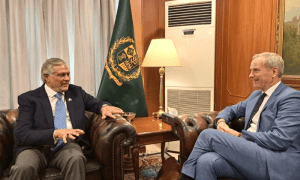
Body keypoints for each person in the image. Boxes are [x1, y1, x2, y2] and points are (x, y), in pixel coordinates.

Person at [179, 52, 300, 180]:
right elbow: (231, 110)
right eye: (251, 71)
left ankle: (184, 178)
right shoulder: (256, 96)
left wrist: (238, 135)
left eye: (256, 70)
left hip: (273, 160)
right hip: (249, 155)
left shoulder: (291, 98)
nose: (250, 75)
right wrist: (220, 122)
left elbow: (280, 139)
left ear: (274, 72)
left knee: (208, 135)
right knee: (206, 161)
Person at [9, 58, 124, 180]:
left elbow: (95, 103)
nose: (67, 78)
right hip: (34, 148)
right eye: (61, 75)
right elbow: (22, 134)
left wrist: (103, 107)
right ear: (47, 77)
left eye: (68, 74)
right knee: (23, 168)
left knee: (76, 158)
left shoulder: (76, 92)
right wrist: (55, 133)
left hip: (67, 145)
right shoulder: (29, 99)